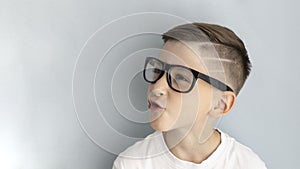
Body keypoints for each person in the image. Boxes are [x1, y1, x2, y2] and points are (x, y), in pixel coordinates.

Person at [112, 22, 267, 169]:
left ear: (221, 104)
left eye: (181, 77)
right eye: (158, 70)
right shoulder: (132, 164)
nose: (157, 88)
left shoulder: (247, 165)